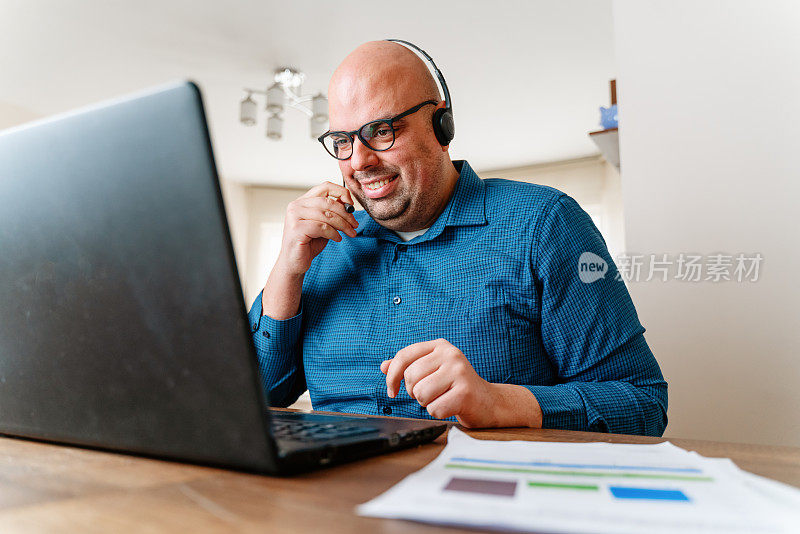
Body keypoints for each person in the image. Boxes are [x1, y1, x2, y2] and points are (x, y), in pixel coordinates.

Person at [247, 40, 668, 435]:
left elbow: (643, 403)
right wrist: (287, 269)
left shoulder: (545, 224)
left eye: (381, 131)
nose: (359, 161)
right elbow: (252, 400)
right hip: (331, 499)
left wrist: (501, 402)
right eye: (343, 140)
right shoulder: (320, 245)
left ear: (441, 124)